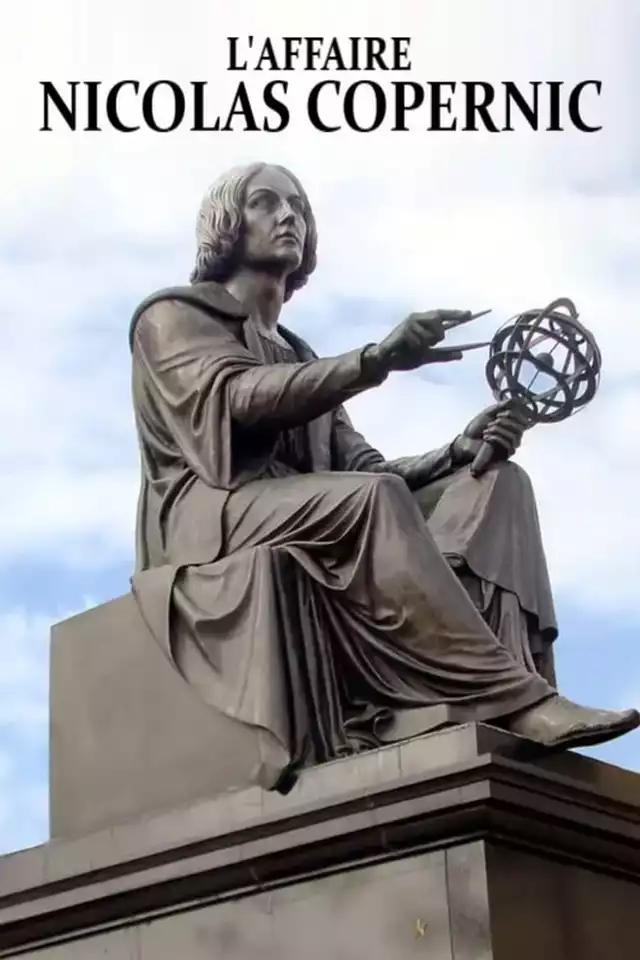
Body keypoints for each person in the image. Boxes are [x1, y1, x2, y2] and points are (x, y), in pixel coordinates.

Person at [129, 161, 639, 791]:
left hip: (302, 509)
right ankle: (515, 699)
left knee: (498, 484)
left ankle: (480, 693)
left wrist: (457, 452)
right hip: (213, 513)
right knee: (372, 500)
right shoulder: (171, 317)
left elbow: (364, 467)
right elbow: (240, 398)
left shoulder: (298, 354)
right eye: (266, 203)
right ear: (226, 225)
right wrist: (376, 360)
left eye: (299, 207)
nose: (289, 216)